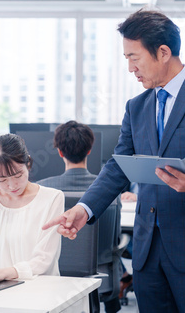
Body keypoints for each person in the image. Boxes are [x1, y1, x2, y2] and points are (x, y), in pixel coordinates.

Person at [43, 8, 185, 313]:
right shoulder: (136, 107)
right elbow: (117, 166)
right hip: (147, 250)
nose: (130, 68)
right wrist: (85, 209)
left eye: (133, 58)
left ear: (163, 52)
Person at [37, 120, 123, 313]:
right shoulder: (109, 191)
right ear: (90, 150)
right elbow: (115, 236)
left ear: (59, 152)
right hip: (100, 275)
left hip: (54, 275)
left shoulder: (42, 189)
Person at [0, 133, 64, 281]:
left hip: (39, 287)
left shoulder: (52, 198)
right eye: (2, 179)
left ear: (28, 164)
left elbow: (44, 259)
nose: (12, 185)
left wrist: (10, 272)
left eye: (18, 176)